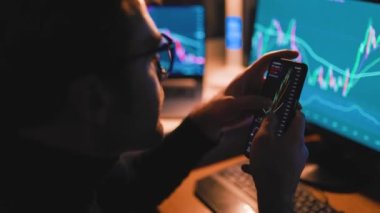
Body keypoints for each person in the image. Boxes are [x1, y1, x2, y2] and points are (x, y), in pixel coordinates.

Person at [0, 0, 308, 212]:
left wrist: (207, 119)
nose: (163, 71)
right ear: (94, 99)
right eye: (153, 55)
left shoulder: (53, 166)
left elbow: (125, 191)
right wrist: (278, 199)